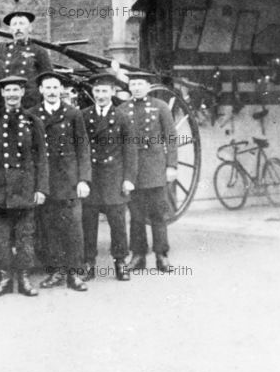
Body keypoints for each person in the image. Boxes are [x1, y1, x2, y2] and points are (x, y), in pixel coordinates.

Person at [0, 76, 48, 297]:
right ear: (2, 93)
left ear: (22, 93)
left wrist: (40, 188)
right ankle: (5, 278)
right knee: (0, 239)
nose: (11, 94)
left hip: (25, 189)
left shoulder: (32, 121)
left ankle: (24, 278)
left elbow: (41, 159)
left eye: (15, 90)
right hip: (0, 191)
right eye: (7, 90)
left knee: (25, 237)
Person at [30, 71, 91, 292]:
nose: (52, 92)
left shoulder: (73, 114)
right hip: (46, 181)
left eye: (56, 88)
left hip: (69, 179)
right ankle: (55, 271)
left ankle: (75, 274)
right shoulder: (32, 114)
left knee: (73, 228)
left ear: (61, 90)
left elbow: (83, 148)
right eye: (48, 88)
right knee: (49, 227)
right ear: (41, 91)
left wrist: (84, 179)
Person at [118, 71, 178, 272]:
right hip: (132, 170)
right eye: (133, 84)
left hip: (155, 168)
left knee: (158, 214)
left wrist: (172, 166)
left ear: (148, 86)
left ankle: (161, 255)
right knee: (136, 215)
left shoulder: (160, 107)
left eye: (140, 84)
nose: (136, 87)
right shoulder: (122, 109)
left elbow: (171, 137)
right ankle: (138, 255)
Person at [81, 72, 138, 281]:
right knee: (88, 223)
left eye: (105, 91)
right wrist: (82, 179)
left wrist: (129, 178)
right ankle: (89, 263)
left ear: (112, 92)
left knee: (118, 223)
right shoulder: (84, 116)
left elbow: (130, 151)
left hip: (114, 177)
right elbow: (80, 149)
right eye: (97, 91)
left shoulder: (122, 117)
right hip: (92, 178)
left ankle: (120, 262)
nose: (101, 95)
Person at [0, 11, 52, 108]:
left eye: (22, 24)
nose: (18, 27)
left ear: (30, 28)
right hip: (6, 101)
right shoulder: (1, 49)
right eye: (14, 24)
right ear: (10, 29)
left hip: (30, 103)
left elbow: (48, 80)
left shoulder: (39, 51)